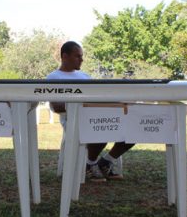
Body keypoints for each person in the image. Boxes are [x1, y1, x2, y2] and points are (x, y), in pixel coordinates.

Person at [47, 41, 134, 182]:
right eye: (78, 56)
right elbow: (57, 107)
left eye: (82, 56)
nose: (82, 60)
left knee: (133, 127)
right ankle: (90, 164)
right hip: (74, 120)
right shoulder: (54, 77)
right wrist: (86, 105)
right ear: (65, 56)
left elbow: (97, 98)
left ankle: (105, 162)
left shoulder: (85, 76)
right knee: (101, 128)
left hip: (95, 116)